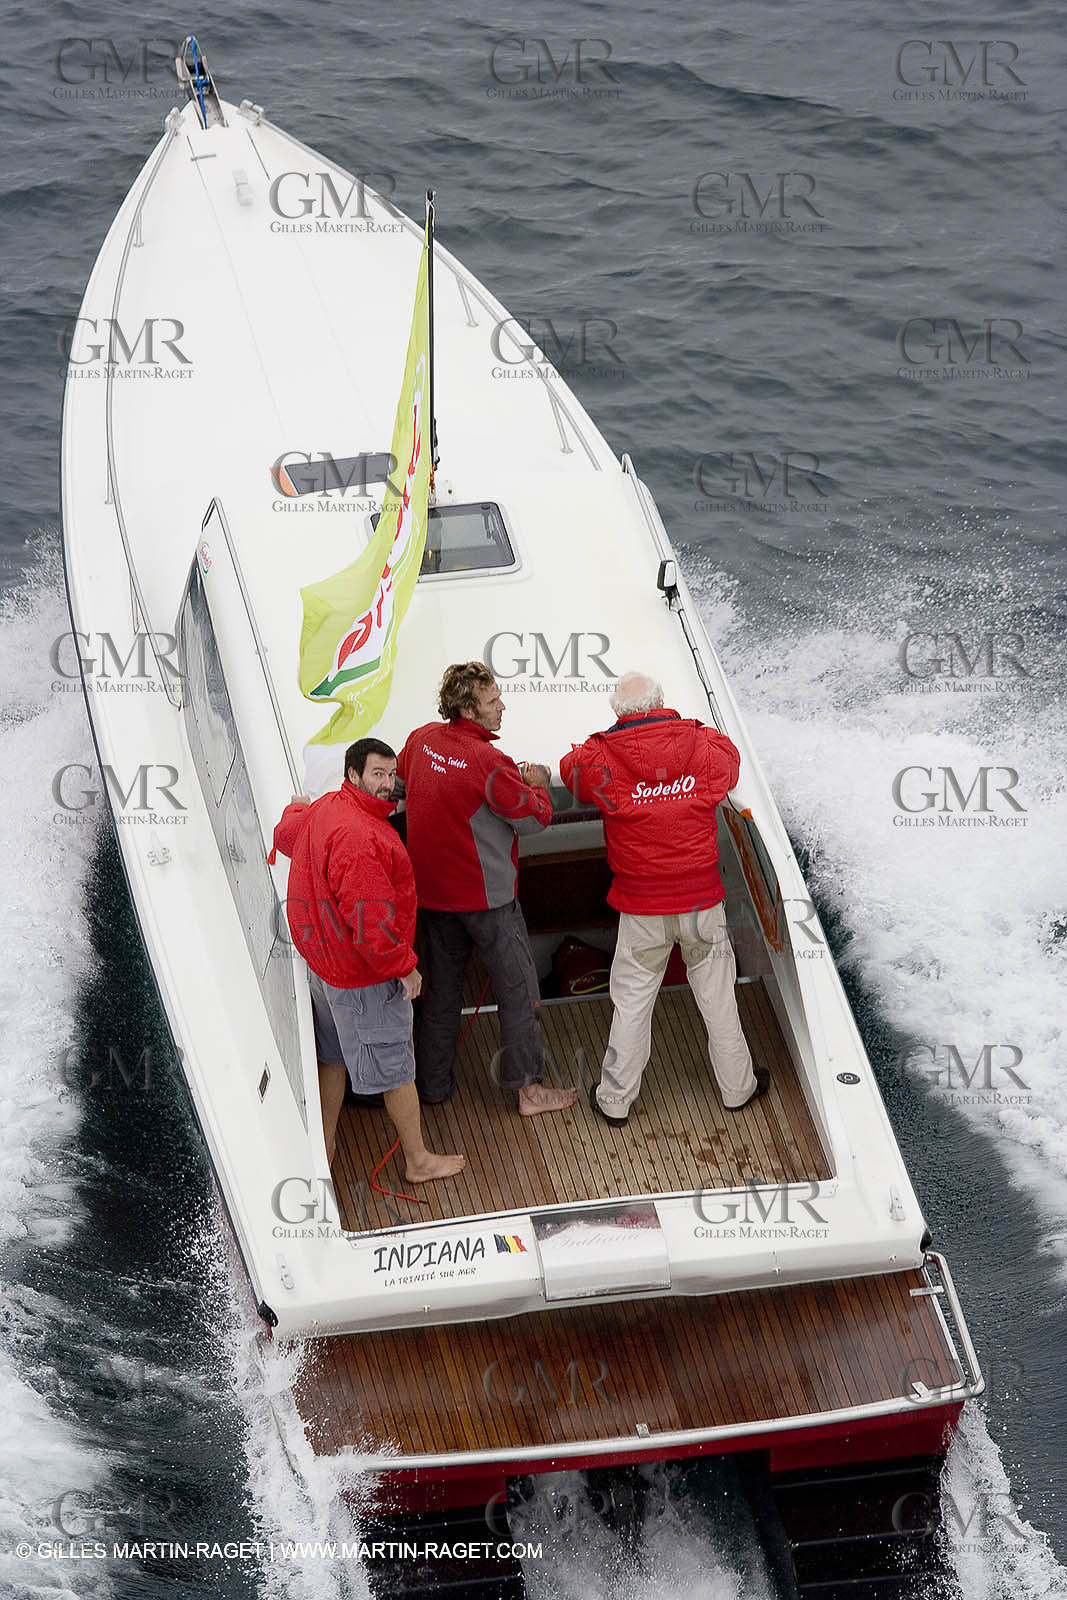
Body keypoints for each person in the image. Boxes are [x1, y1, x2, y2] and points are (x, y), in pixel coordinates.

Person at [558, 670, 766, 1125]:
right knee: (718, 999)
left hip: (642, 911)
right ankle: (738, 1088)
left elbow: (569, 771)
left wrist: (606, 739)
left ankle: (615, 1100)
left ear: (618, 712)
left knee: (632, 1005)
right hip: (701, 905)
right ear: (660, 702)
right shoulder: (700, 744)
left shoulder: (601, 755)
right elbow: (730, 760)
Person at [268, 738, 465, 1181]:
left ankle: (325, 1148)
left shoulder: (326, 808)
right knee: (398, 1071)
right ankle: (418, 1161)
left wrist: (295, 807)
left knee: (332, 1057)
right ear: (353, 774)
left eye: (391, 774)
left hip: (324, 969)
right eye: (377, 774)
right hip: (362, 979)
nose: (387, 784)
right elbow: (372, 922)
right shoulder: (361, 838)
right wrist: (404, 967)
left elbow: (285, 836)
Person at [398, 662, 578, 1116]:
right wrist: (538, 786)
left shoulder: (421, 740)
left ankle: (432, 1086)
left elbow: (401, 785)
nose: (503, 707)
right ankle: (529, 1092)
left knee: (441, 994)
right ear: (468, 709)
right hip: (489, 903)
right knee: (519, 992)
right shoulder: (489, 762)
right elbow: (533, 820)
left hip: (433, 898)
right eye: (493, 701)